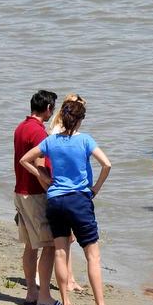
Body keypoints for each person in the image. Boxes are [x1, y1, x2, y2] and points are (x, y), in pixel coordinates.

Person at [19, 98, 122, 305]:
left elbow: (25, 160)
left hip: (55, 200)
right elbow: (107, 164)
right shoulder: (85, 140)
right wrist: (96, 188)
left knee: (60, 251)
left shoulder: (51, 141)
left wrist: (42, 177)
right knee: (92, 256)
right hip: (79, 200)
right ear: (80, 120)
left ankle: (66, 303)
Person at [13, 89, 59, 305]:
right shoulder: (39, 132)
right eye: (53, 108)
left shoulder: (21, 127)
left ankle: (32, 291)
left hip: (20, 191)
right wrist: (49, 187)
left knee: (31, 246)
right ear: (48, 108)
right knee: (49, 245)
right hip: (35, 194)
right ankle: (44, 295)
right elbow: (40, 164)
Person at [48, 94, 88, 292]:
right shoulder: (60, 133)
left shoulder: (59, 130)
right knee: (64, 243)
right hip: (67, 192)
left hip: (59, 193)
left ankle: (70, 278)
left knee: (65, 241)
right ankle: (68, 280)